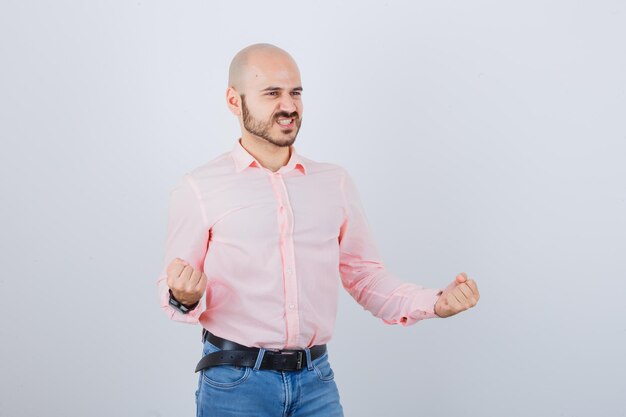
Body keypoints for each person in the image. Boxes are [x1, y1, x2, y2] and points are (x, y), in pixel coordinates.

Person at [156, 43, 480, 417]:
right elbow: (172, 288)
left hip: (316, 382)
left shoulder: (333, 183)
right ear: (234, 101)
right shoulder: (199, 187)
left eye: (295, 92)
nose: (289, 106)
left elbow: (366, 278)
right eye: (272, 93)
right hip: (235, 384)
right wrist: (184, 295)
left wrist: (435, 302)